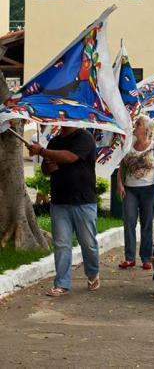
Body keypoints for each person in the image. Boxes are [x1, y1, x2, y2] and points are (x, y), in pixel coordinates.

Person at [28, 127, 100, 297]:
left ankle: (92, 273)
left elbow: (70, 156)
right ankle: (62, 283)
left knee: (88, 243)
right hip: (60, 201)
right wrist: (48, 165)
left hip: (84, 200)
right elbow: (46, 169)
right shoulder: (55, 141)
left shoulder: (85, 137)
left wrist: (43, 150)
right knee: (61, 244)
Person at [117, 115, 154, 270]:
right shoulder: (128, 145)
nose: (135, 126)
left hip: (149, 189)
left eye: (138, 124)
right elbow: (121, 167)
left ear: (146, 129)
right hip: (130, 188)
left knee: (146, 223)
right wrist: (120, 184)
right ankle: (129, 257)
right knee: (129, 222)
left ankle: (146, 258)